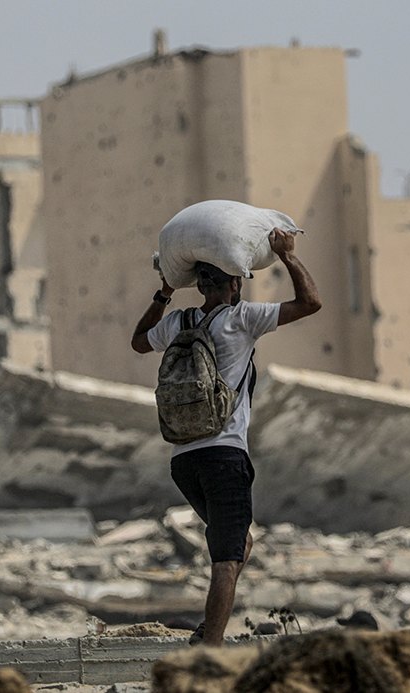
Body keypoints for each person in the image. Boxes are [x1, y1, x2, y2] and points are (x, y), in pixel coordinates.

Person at [131, 228, 321, 646]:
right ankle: (211, 650)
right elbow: (310, 302)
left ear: (200, 285)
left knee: (239, 541)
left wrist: (164, 292)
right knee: (226, 559)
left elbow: (139, 342)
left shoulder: (178, 322)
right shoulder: (242, 319)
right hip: (224, 456)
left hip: (184, 460)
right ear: (236, 282)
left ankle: (207, 630)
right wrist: (287, 255)